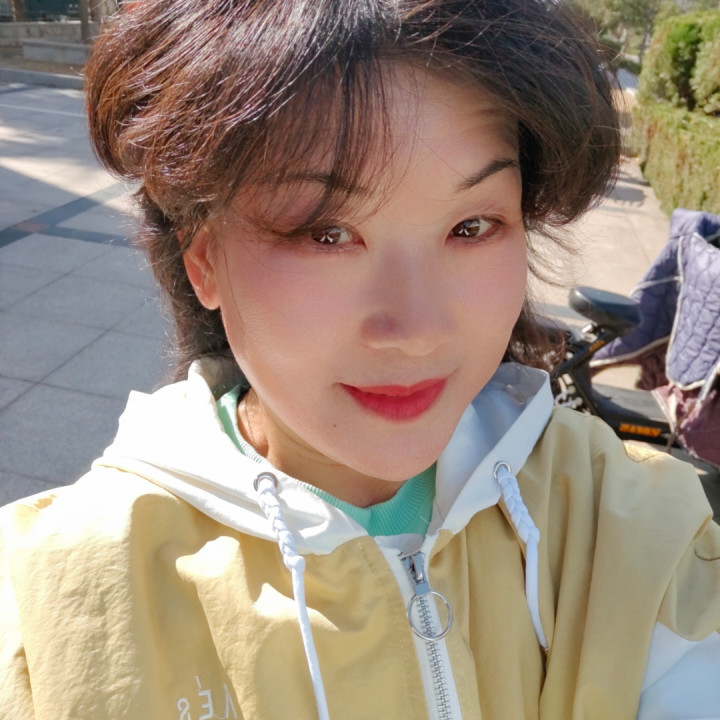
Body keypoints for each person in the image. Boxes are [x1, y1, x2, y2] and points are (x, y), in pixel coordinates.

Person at [1, 1, 719, 718]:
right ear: (203, 257)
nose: (416, 331)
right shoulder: (51, 604)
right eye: (326, 233)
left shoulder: (633, 529)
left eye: (472, 226)